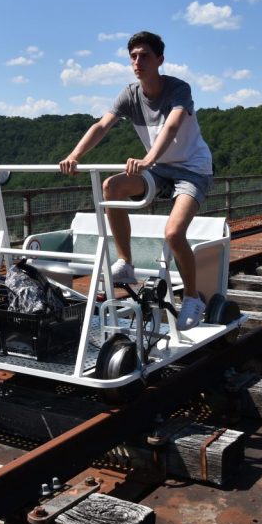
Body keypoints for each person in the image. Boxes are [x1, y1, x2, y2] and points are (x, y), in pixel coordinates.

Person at [59, 31, 214, 330]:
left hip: (193, 169)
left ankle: (193, 298)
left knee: (173, 234)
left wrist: (148, 160)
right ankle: (126, 264)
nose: (137, 62)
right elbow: (102, 125)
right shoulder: (129, 94)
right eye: (133, 56)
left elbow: (171, 127)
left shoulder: (178, 89)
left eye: (144, 56)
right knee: (111, 186)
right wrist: (74, 155)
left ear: (160, 60)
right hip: (158, 167)